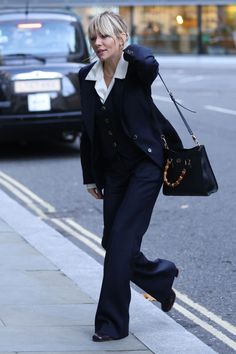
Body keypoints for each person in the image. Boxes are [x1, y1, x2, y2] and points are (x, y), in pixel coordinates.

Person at [78, 11, 182, 342]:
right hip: (113, 172)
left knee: (120, 240)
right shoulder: (87, 76)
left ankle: (110, 324)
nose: (98, 43)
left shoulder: (136, 69)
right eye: (94, 37)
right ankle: (160, 280)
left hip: (145, 167)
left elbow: (151, 65)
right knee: (114, 242)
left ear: (121, 38)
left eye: (105, 36)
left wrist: (132, 48)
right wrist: (90, 177)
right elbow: (88, 129)